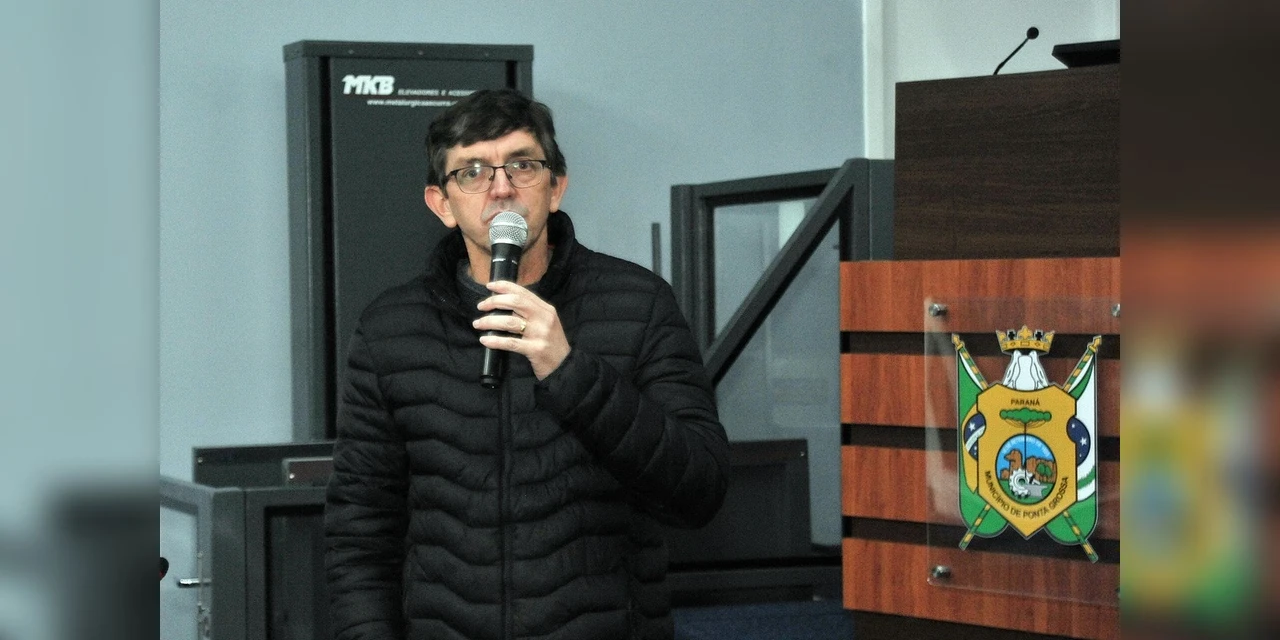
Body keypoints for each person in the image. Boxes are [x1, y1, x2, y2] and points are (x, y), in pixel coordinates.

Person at [324, 88, 730, 640]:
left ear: (555, 187)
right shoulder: (390, 328)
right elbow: (360, 532)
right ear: (442, 204)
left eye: (522, 165)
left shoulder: (639, 303)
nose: (501, 188)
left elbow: (700, 490)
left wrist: (569, 370)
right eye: (472, 171)